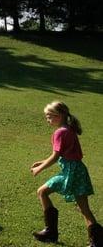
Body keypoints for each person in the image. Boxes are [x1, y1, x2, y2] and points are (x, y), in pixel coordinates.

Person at [30, 101, 103, 246]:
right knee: (84, 208)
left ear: (60, 116)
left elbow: (56, 156)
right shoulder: (69, 129)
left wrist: (40, 168)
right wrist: (42, 162)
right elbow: (63, 154)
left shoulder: (60, 132)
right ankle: (98, 241)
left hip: (71, 173)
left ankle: (51, 233)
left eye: (49, 116)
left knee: (42, 192)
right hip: (78, 171)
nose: (47, 120)